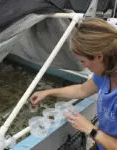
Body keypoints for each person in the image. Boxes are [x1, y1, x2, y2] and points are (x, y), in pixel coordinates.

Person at [30, 18, 117, 150]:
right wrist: (48, 92)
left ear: (99, 56)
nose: (85, 67)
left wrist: (90, 129)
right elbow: (82, 90)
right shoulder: (104, 75)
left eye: (83, 61)